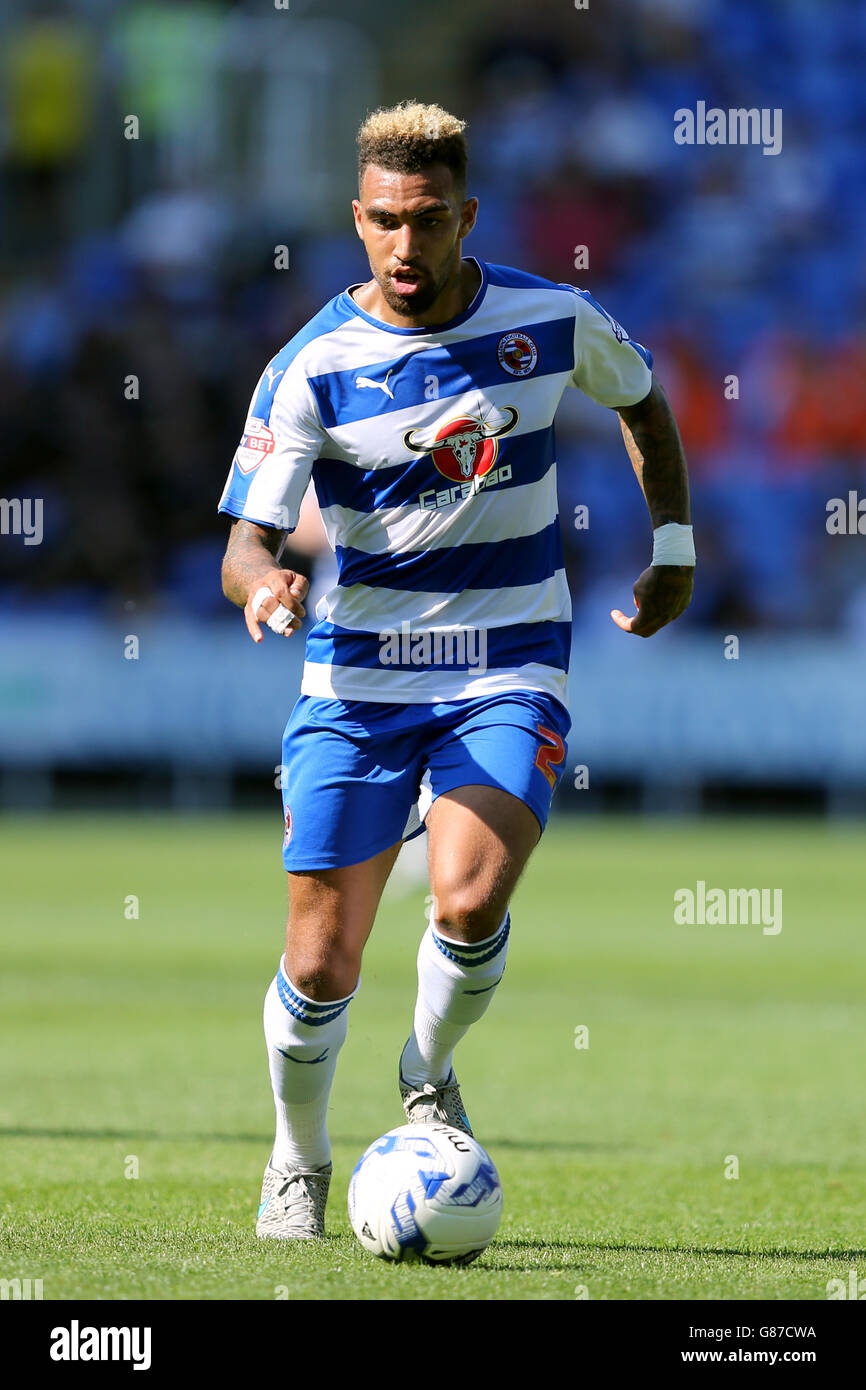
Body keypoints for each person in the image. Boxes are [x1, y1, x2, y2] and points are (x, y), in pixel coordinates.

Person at [218, 101, 694, 1240]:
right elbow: (245, 536)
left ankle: (424, 1065)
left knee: (470, 892)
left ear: (464, 216)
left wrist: (670, 545)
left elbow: (641, 400)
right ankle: (298, 1154)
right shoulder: (312, 365)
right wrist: (264, 586)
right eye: (382, 222)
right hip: (356, 682)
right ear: (355, 218)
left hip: (506, 661)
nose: (402, 246)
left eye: (426, 221)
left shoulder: (549, 317)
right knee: (321, 959)